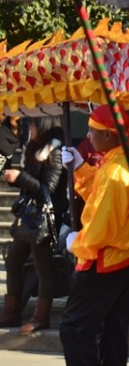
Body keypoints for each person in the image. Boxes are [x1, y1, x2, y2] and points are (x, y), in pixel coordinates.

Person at [59, 105, 129, 366]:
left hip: (105, 259)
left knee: (73, 327)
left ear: (110, 135)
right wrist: (82, 168)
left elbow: (101, 225)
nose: (88, 135)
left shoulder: (116, 171)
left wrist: (76, 243)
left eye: (93, 130)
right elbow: (101, 200)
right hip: (126, 258)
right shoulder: (128, 162)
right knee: (112, 335)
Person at [0, 116, 66, 333]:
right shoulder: (33, 148)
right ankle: (11, 312)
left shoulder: (54, 152)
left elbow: (48, 189)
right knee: (13, 261)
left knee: (42, 266)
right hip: (29, 216)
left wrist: (19, 177)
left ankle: (41, 316)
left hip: (45, 219)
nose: (31, 129)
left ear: (44, 126)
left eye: (34, 125)